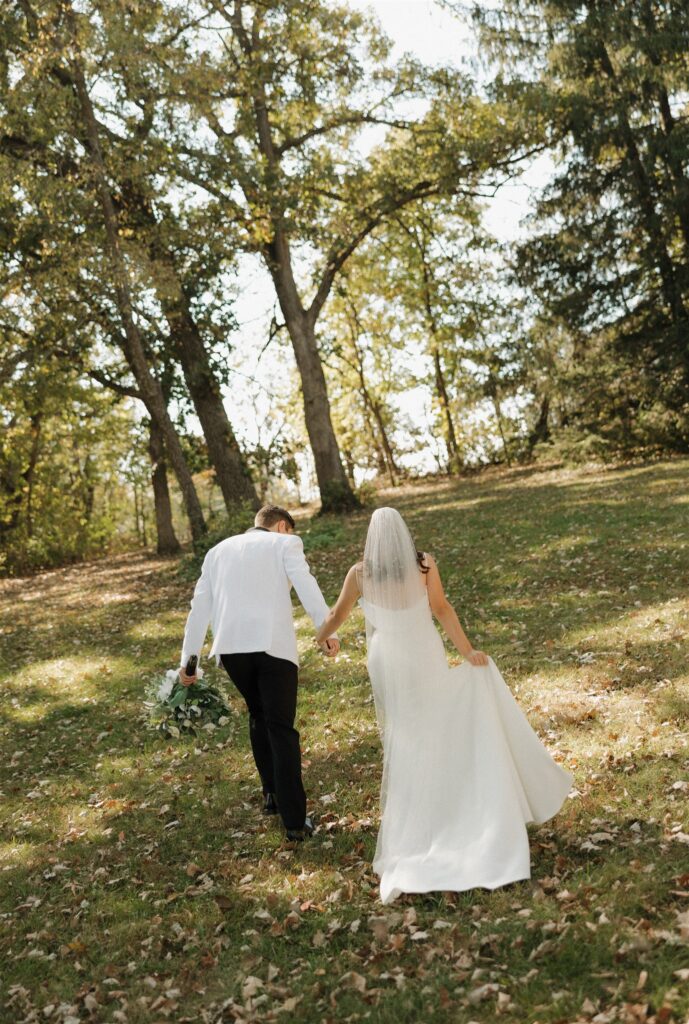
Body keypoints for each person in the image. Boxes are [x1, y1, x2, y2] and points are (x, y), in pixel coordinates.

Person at [316, 506, 572, 904]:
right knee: (432, 721)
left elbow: (337, 614)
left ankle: (422, 814)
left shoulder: (360, 574)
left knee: (406, 733)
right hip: (422, 651)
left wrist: (321, 636)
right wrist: (467, 651)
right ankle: (453, 804)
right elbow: (441, 609)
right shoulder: (423, 565)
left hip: (387, 657)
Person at [180, 504, 339, 841]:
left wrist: (189, 659)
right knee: (281, 728)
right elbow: (306, 584)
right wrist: (327, 631)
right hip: (272, 647)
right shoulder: (285, 545)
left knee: (258, 714)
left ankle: (271, 794)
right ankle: (295, 821)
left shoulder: (216, 551)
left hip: (231, 650)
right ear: (282, 527)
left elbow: (200, 606)